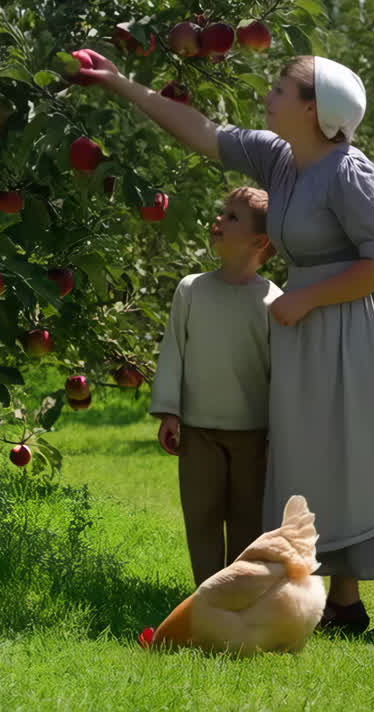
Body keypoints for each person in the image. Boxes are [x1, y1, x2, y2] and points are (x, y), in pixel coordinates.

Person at [80, 52, 374, 637]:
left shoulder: (350, 171)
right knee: (327, 454)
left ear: (314, 108)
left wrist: (307, 298)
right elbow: (202, 133)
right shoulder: (279, 159)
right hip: (316, 321)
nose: (269, 95)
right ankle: (344, 600)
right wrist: (120, 84)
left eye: (282, 89)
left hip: (368, 317)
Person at [148, 187, 281, 587]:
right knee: (201, 515)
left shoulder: (274, 301)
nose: (218, 221)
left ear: (259, 241)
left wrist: (279, 432)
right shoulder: (191, 289)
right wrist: (169, 411)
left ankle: (237, 595)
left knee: (247, 519)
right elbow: (174, 350)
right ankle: (207, 593)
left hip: (253, 436)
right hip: (198, 431)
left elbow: (281, 374)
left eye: (232, 217)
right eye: (222, 213)